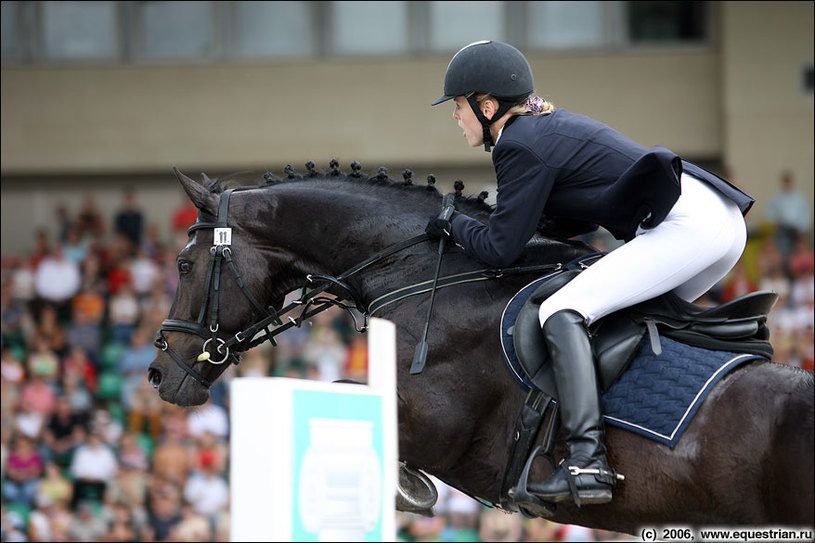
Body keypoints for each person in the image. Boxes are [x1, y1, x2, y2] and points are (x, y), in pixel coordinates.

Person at [428, 40, 754, 506]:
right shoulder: (538, 128)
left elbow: (500, 250)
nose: (455, 117)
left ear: (487, 107)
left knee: (561, 311)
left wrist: (451, 221)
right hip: (715, 217)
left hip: (691, 224)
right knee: (618, 321)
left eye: (458, 106)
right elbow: (567, 221)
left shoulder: (518, 144)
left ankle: (587, 463)